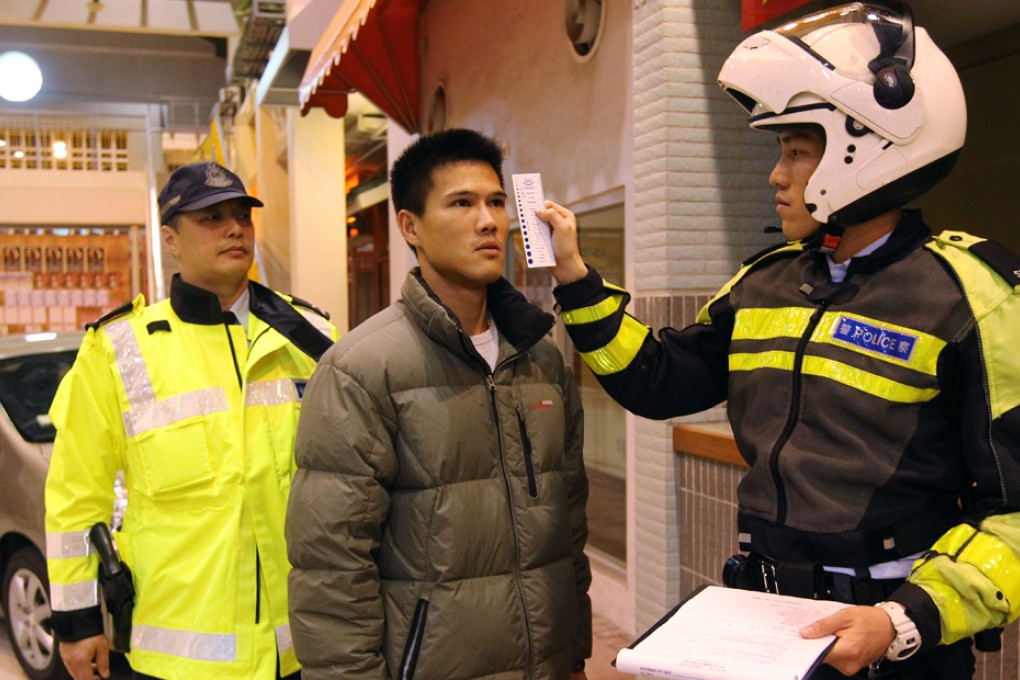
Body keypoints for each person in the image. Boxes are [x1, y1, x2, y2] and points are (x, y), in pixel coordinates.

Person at [537, 3, 1020, 679]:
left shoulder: (972, 294)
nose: (776, 175)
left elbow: (1015, 513)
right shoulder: (764, 283)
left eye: (796, 151)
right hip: (765, 626)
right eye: (780, 152)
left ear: (869, 147)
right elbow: (658, 378)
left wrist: (902, 621)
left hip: (896, 644)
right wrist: (577, 280)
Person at [286, 128, 592, 679]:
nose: (489, 221)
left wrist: (573, 653)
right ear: (411, 227)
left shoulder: (542, 359)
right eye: (462, 203)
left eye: (496, 202)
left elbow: (568, 530)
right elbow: (331, 566)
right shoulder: (361, 369)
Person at [44, 161, 338, 680]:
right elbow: (74, 497)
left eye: (242, 217)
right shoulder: (117, 349)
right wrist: (75, 620)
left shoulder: (311, 334)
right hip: (174, 654)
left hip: (301, 646)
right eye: (211, 218)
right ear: (170, 240)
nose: (234, 229)